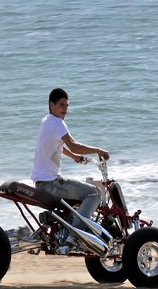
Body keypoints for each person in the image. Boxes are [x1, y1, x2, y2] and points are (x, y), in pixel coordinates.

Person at [30, 88, 110, 226]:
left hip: (42, 183)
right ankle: (76, 234)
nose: (65, 109)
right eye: (61, 105)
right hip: (51, 184)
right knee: (95, 194)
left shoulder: (47, 121)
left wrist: (73, 156)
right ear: (52, 105)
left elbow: (55, 146)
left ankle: (69, 226)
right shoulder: (57, 123)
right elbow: (74, 145)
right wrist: (99, 150)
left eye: (67, 105)